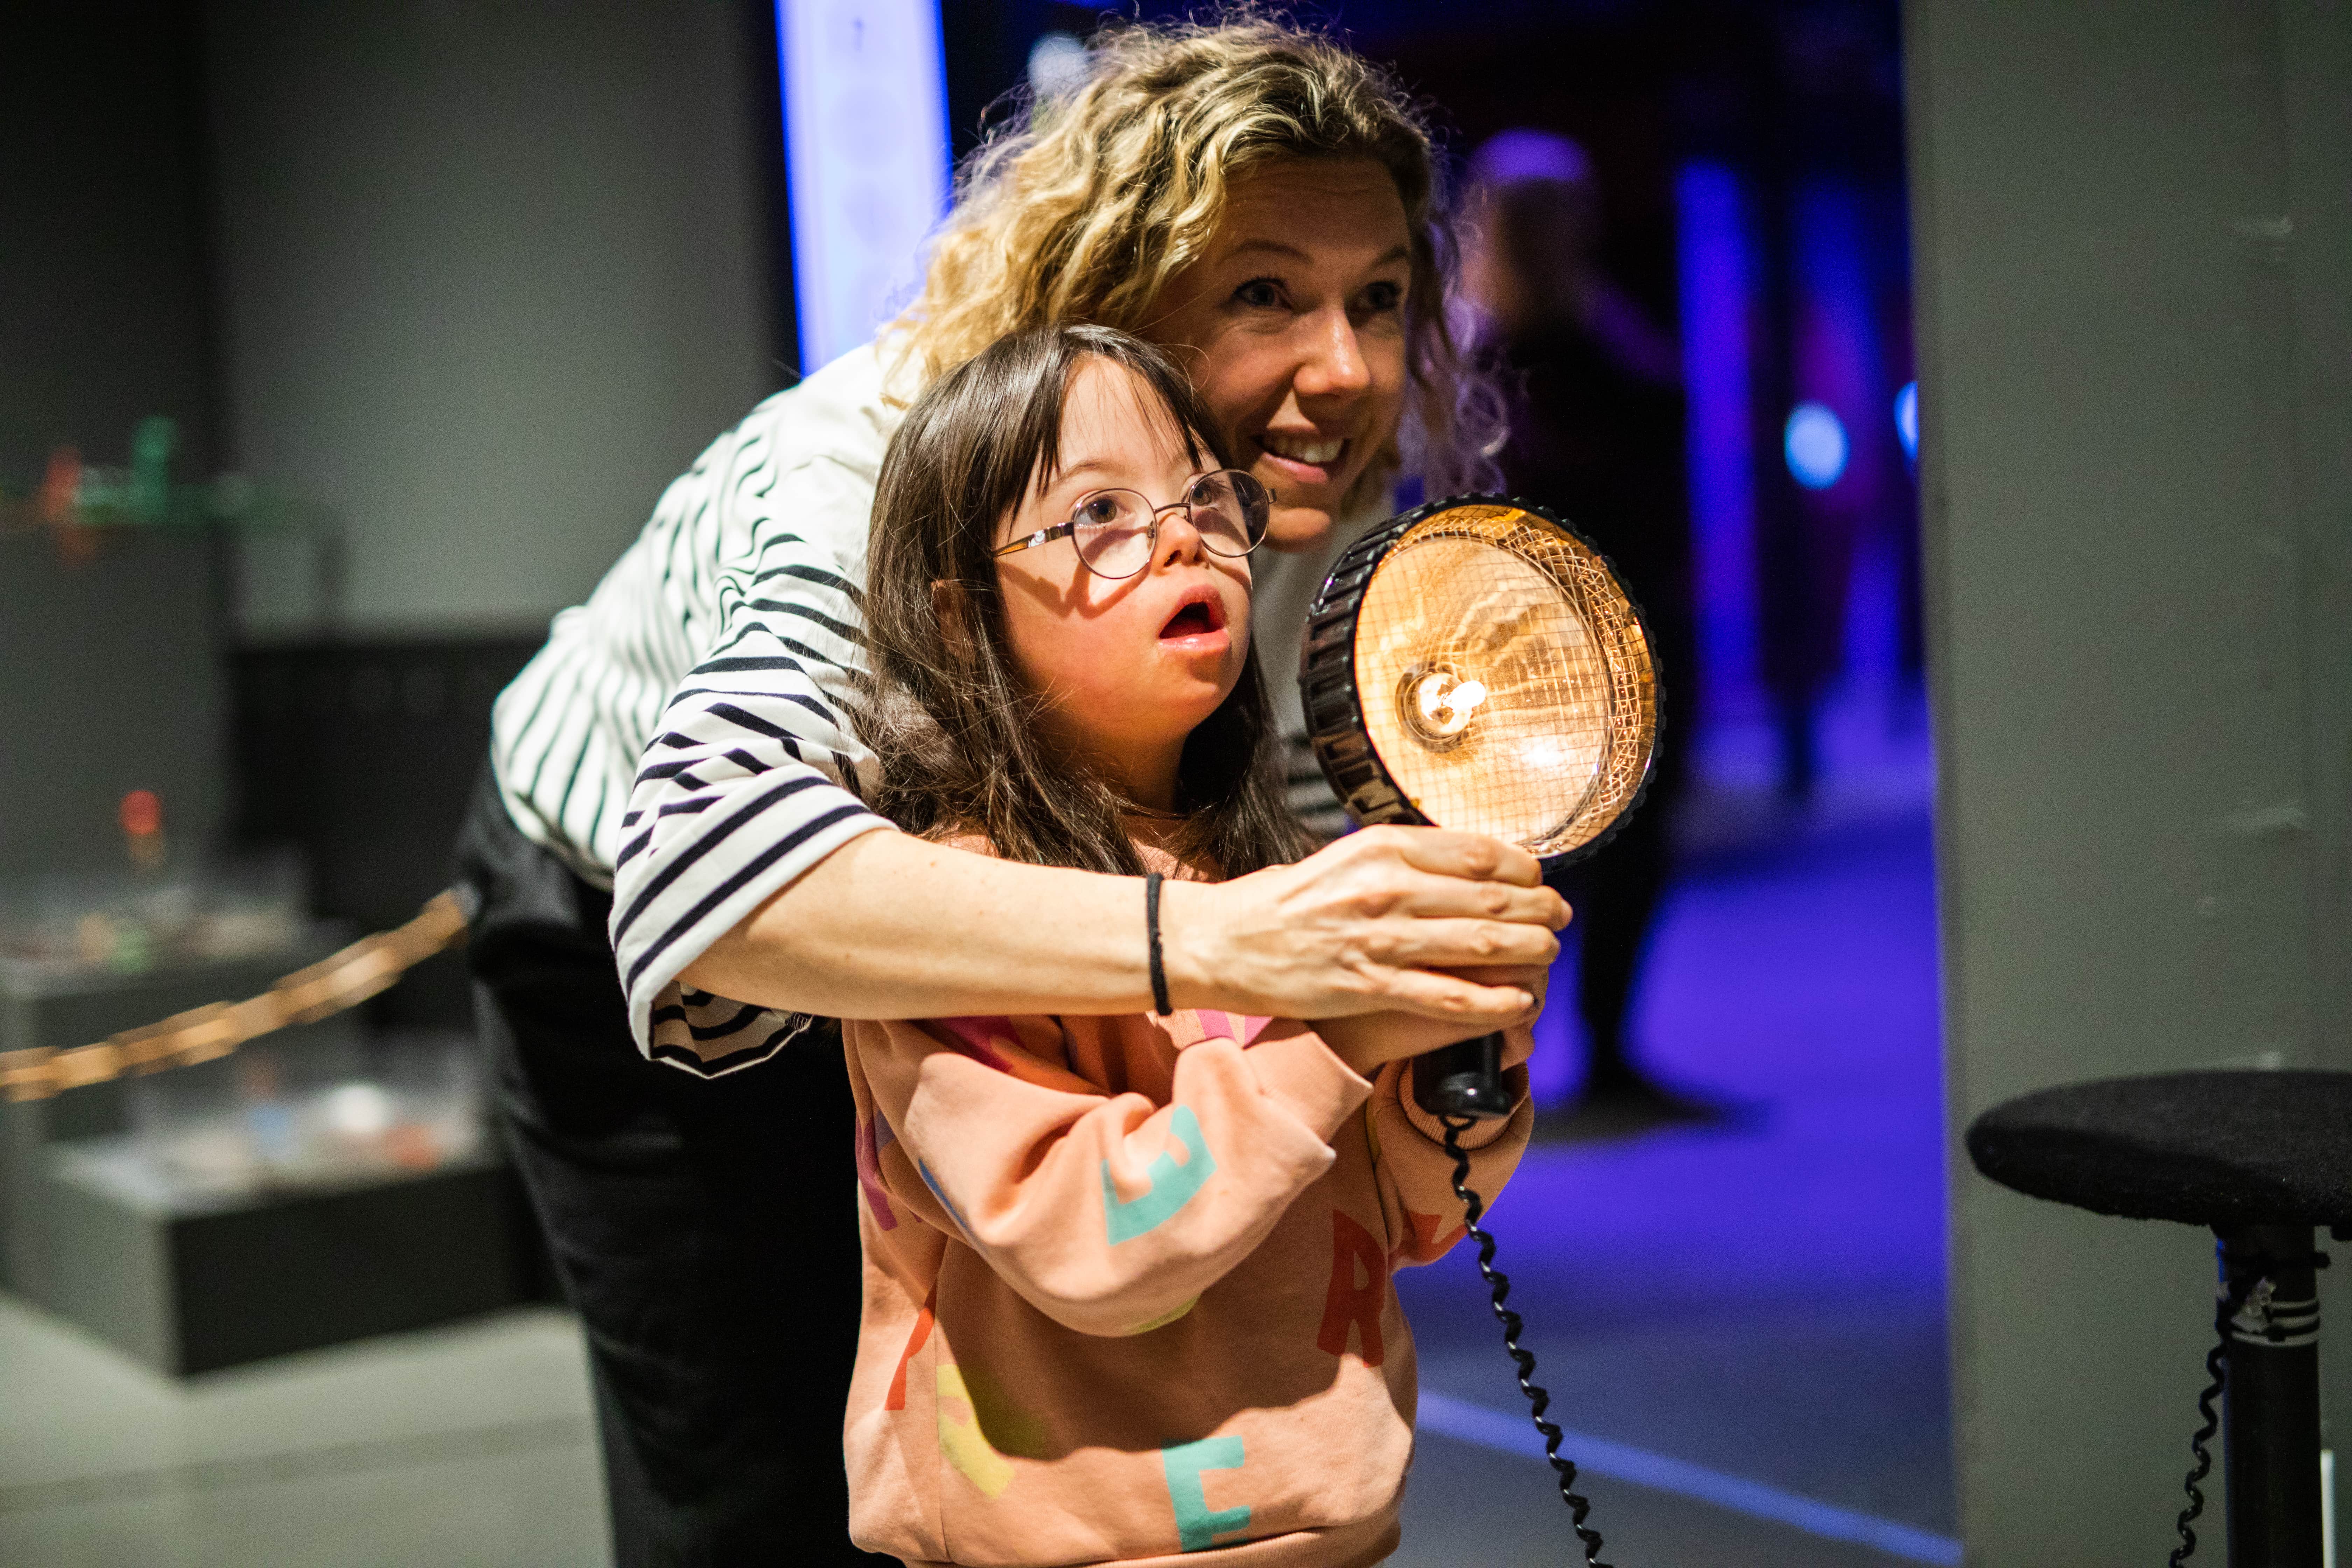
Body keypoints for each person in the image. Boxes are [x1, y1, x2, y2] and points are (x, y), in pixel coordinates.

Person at [456, 19, 1566, 1564]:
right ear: (1113, 294)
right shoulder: (880, 475)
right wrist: (1256, 955)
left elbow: (1293, 860)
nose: (1349, 367)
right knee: (768, 1481)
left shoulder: (1286, 487)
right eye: (1265, 296)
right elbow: (712, 875)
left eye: (1381, 299)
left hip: (1031, 886)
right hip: (659, 943)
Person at [844, 321, 1531, 1566]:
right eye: (1098, 512)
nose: (1181, 536)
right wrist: (1334, 1038)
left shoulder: (1274, 880)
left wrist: (1453, 1074)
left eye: (1203, 494)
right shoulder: (955, 913)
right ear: (959, 621)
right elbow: (1088, 1242)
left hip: (1341, 1526)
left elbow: (1408, 1221)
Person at [1464, 129, 1706, 1129]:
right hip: (1530, 644)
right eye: (1544, 212)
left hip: (1638, 621)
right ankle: (1476, 1066)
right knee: (1516, 864)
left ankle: (1607, 1051)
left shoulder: (1604, 326)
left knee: (1636, 847)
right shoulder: (1481, 350)